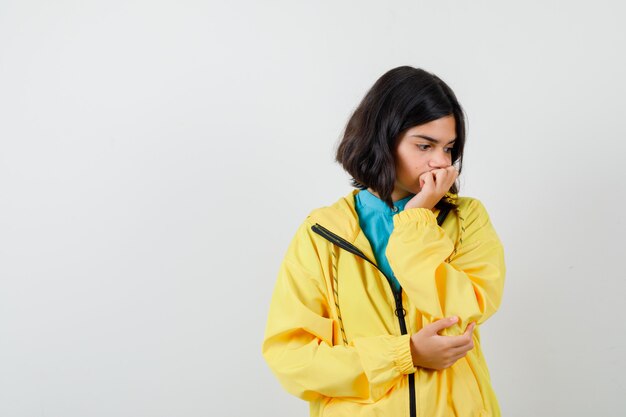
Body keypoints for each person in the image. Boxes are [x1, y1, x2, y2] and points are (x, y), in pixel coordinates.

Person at [261, 66, 506, 417]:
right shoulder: (320, 234)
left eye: (449, 148)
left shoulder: (466, 219)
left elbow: (461, 313)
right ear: (382, 140)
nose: (441, 162)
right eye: (425, 145)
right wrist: (405, 355)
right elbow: (292, 359)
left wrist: (417, 218)